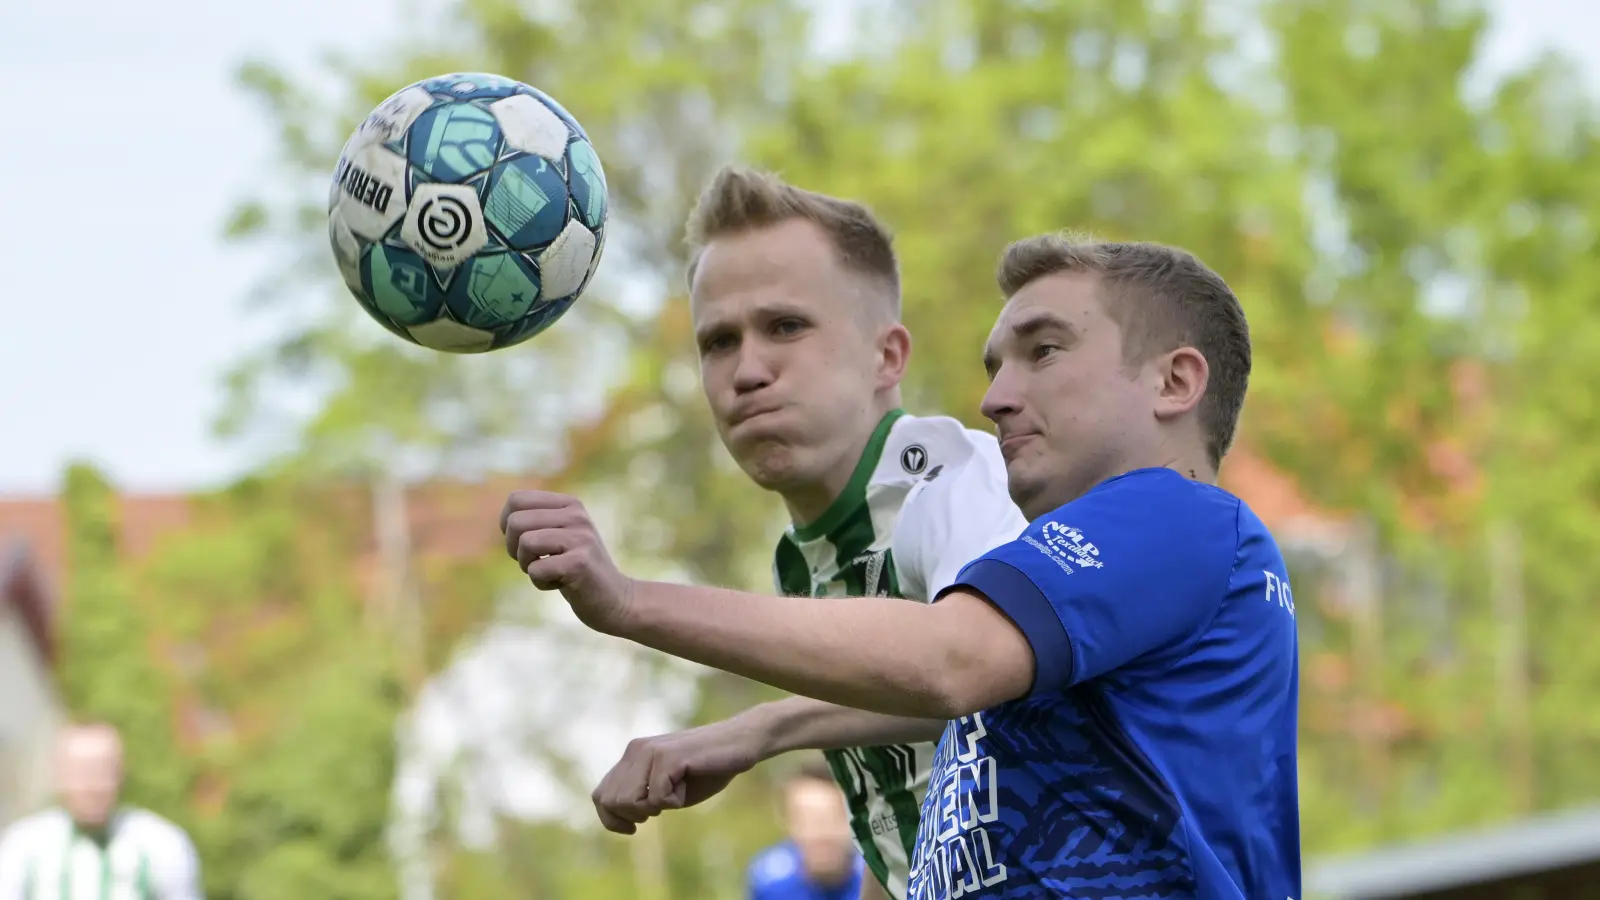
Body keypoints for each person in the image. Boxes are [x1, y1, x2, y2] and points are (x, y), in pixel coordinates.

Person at [503, 234, 1301, 898]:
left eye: (1043, 351)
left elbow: (948, 662)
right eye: (996, 367)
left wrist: (629, 602)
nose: (995, 398)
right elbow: (951, 699)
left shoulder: (1175, 515)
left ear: (1175, 381)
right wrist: (762, 729)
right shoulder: (1079, 607)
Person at [586, 166, 1027, 899]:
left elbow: (986, 677)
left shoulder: (951, 479)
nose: (747, 369)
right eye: (718, 341)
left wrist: (759, 727)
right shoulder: (804, 559)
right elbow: (903, 818)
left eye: (785, 326)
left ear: (886, 356)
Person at [0, 723, 203, 900]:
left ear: (120, 772)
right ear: (57, 774)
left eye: (102, 770)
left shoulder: (162, 842)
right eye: (80, 771)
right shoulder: (22, 845)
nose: (91, 785)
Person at [748, 761, 865, 900]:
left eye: (832, 818)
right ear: (788, 823)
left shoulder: (879, 875)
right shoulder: (769, 879)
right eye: (807, 820)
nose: (821, 834)